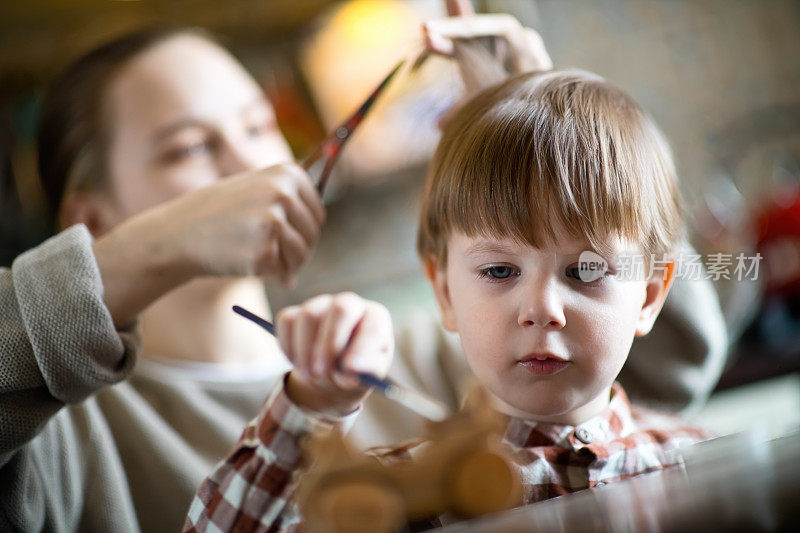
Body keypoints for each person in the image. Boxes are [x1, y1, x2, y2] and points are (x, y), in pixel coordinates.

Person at [183, 68, 716, 532]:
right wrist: (309, 405)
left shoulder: (700, 465)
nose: (542, 308)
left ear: (649, 296)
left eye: (586, 270)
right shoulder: (398, 497)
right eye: (500, 270)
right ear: (445, 293)